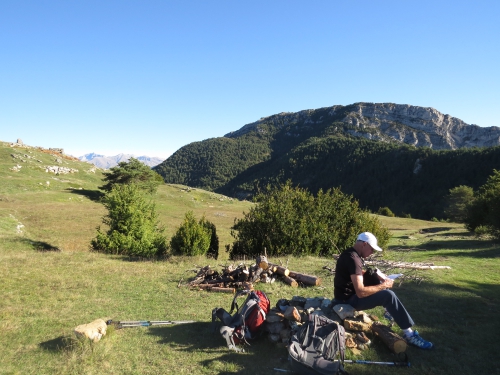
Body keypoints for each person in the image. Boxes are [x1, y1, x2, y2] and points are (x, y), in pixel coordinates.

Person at [333, 232, 434, 350]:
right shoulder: (354, 259)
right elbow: (360, 292)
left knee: (375, 279)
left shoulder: (350, 254)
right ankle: (410, 335)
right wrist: (384, 285)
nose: (372, 253)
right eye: (372, 249)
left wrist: (378, 277)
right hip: (347, 301)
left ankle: (389, 311)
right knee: (388, 295)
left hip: (343, 297)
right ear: (364, 244)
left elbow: (354, 273)